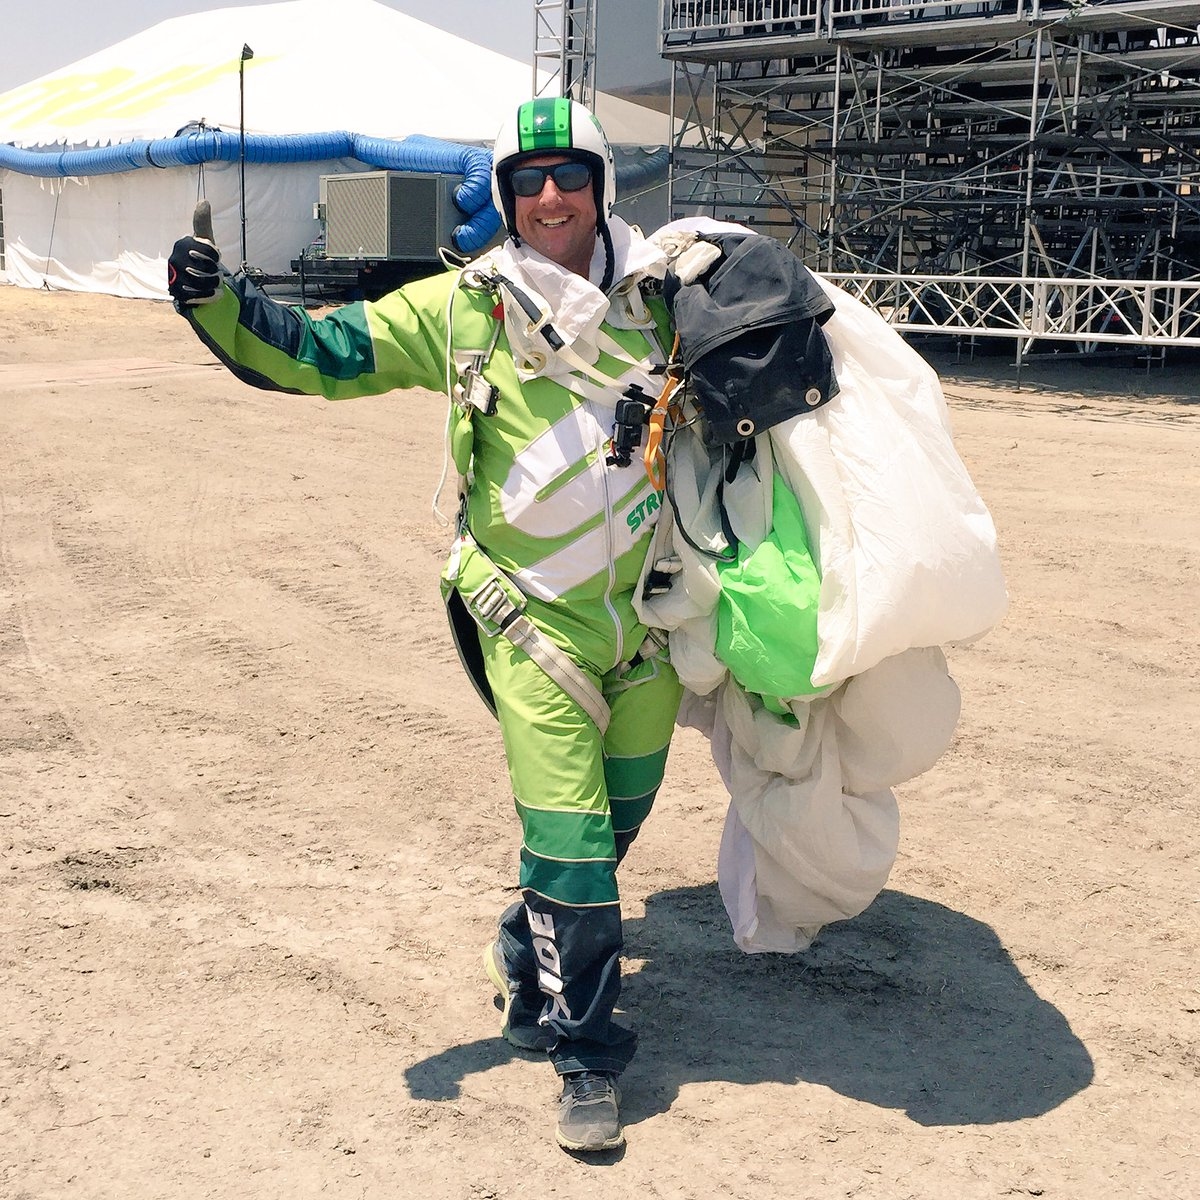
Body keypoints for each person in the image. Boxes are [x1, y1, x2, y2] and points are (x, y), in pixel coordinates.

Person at [167, 97, 684, 1154]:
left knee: (618, 826)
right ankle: (586, 1055)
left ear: (601, 186)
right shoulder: (464, 309)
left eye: (569, 175)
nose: (550, 197)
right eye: (527, 180)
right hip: (532, 624)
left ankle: (524, 949)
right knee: (573, 842)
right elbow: (320, 350)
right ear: (504, 197)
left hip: (652, 627)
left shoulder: (670, 299)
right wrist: (218, 301)